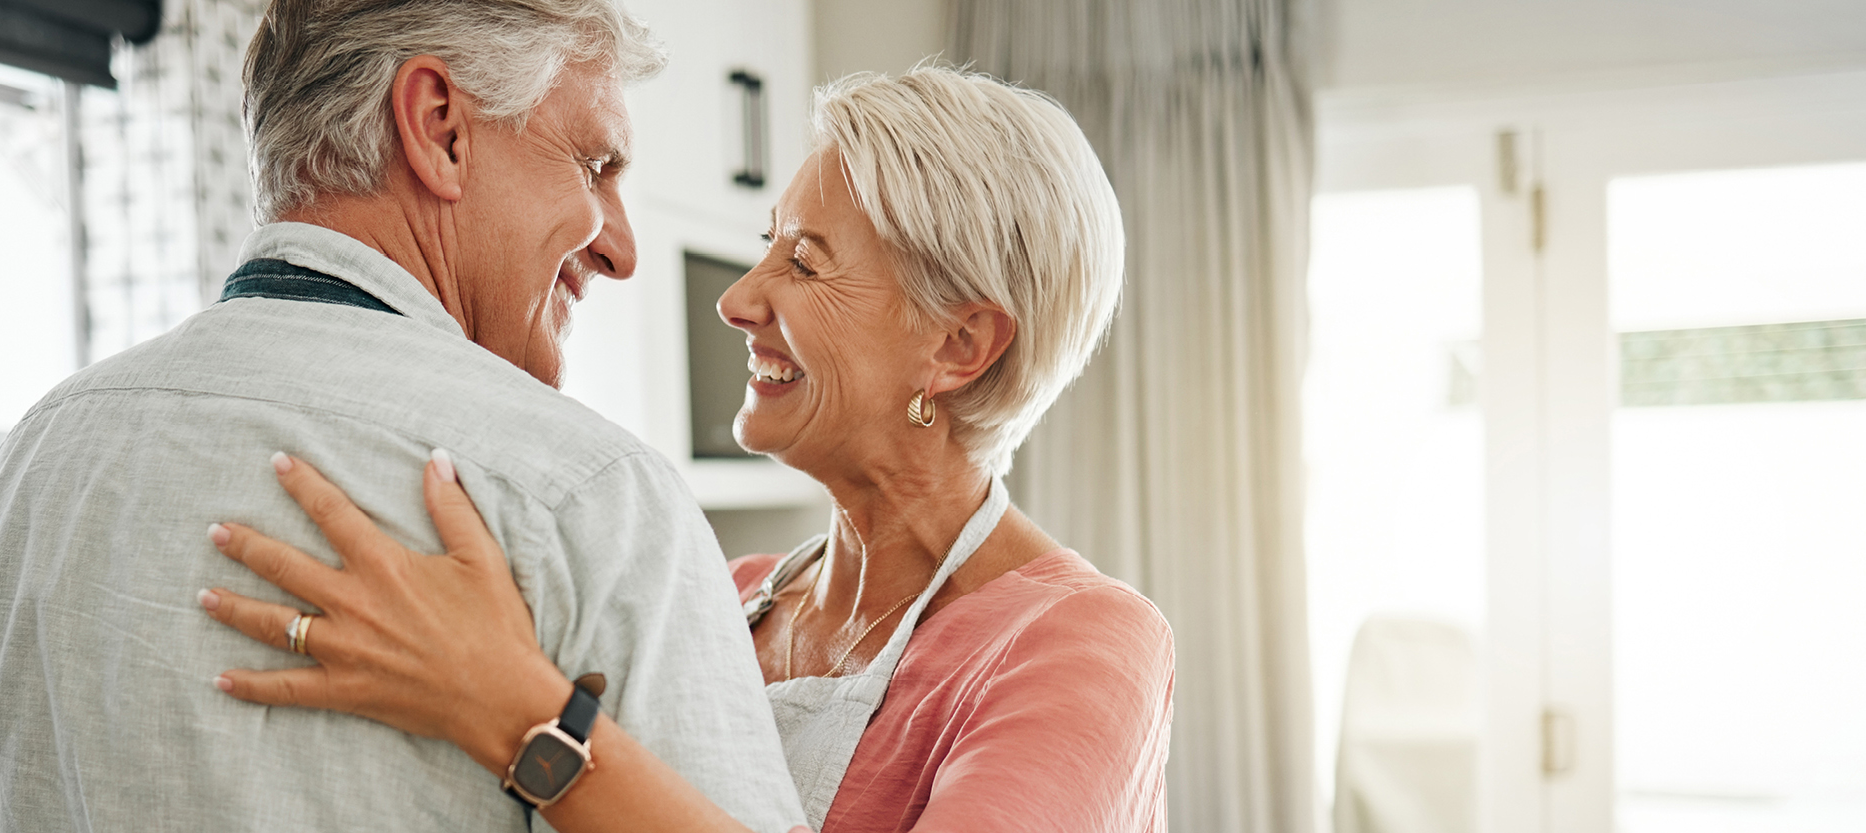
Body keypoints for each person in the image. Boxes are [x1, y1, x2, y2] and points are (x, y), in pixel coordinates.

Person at [0, 1, 807, 831]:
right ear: (439, 128)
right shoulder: (588, 499)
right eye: (594, 164)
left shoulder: (10, 482)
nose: (621, 247)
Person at [197, 67, 1176, 833]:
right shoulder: (725, 591)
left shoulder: (1081, 644)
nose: (738, 299)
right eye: (766, 246)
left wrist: (515, 712)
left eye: (802, 262)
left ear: (957, 346)